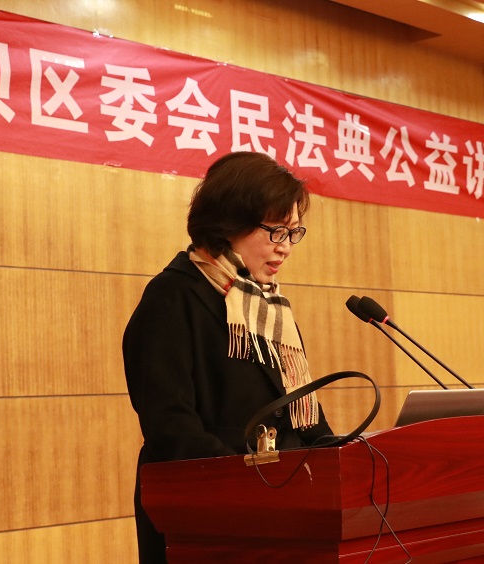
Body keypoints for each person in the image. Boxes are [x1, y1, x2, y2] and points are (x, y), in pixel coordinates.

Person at [122, 151, 334, 563]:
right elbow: (171, 427)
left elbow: (304, 417)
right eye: (276, 232)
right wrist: (251, 481)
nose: (286, 248)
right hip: (209, 515)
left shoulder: (267, 309)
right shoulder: (171, 297)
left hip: (286, 511)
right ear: (229, 222)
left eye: (294, 233)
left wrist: (345, 457)